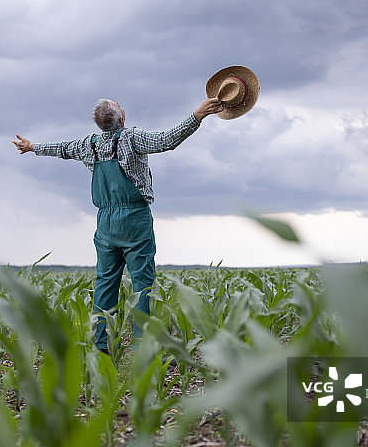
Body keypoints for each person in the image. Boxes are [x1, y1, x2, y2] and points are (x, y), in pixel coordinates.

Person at [12, 97, 223, 353]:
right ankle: (140, 347)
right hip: (134, 219)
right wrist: (198, 115)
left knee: (105, 283)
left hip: (105, 222)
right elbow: (167, 140)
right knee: (142, 284)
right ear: (121, 118)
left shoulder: (88, 144)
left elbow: (63, 148)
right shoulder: (132, 138)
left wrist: (32, 146)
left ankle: (101, 345)